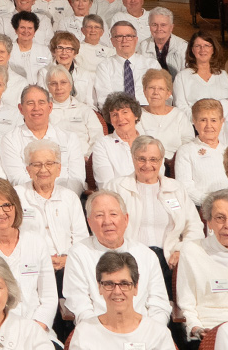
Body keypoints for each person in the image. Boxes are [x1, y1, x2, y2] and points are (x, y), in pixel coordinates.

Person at [63, 189, 173, 330]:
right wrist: (106, 333)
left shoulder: (146, 255)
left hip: (144, 334)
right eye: (99, 215)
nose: (107, 221)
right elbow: (80, 306)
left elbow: (159, 305)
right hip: (98, 333)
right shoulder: (78, 253)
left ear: (126, 219)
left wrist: (149, 332)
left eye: (113, 214)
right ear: (89, 222)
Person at [0, 178, 61, 330]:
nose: (0, 212)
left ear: (16, 207)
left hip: (34, 328)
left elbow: (49, 298)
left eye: (6, 205)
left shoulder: (37, 243)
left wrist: (35, 329)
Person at [106, 135, 201, 273]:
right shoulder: (116, 188)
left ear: (161, 161)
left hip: (168, 258)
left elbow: (194, 226)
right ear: (133, 159)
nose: (147, 165)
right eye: (141, 159)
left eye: (153, 159)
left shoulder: (176, 188)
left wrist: (182, 250)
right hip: (129, 258)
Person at [176, 190, 228, 340]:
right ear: (209, 222)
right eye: (220, 218)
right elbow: (186, 303)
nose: (227, 225)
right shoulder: (192, 251)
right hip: (207, 330)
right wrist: (196, 328)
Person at [0, 83, 88, 196]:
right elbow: (17, 178)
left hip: (67, 200)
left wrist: (63, 199)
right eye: (30, 103)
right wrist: (43, 197)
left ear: (50, 107)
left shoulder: (70, 138)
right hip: (28, 201)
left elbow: (77, 179)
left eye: (41, 103)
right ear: (21, 109)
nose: (36, 108)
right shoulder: (10, 140)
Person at [14, 140, 84, 271]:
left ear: (59, 169)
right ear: (28, 170)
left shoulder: (70, 198)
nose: (43, 169)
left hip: (67, 265)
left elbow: (81, 238)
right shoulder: (16, 196)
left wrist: (67, 260)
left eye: (49, 164)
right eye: (37, 165)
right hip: (29, 266)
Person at [85, 20, 158, 107]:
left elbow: (161, 95)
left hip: (148, 112)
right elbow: (104, 99)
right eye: (119, 36)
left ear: (136, 40)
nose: (124, 40)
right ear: (112, 41)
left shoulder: (152, 65)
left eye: (129, 36)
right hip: (119, 113)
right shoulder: (104, 66)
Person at [175, 99, 228, 205]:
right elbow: (185, 188)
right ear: (194, 121)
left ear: (222, 122)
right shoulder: (186, 151)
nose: (208, 125)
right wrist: (212, 203)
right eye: (203, 120)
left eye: (213, 120)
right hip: (203, 208)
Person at [91, 93, 148, 186]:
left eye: (125, 112)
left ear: (136, 115)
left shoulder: (150, 143)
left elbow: (157, 178)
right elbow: (106, 184)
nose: (120, 118)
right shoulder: (102, 145)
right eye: (114, 114)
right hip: (116, 198)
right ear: (110, 120)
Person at [135, 69, 194, 156]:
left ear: (168, 93)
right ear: (144, 92)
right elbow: (139, 145)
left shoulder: (179, 115)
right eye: (151, 88)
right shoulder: (137, 115)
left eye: (161, 89)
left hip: (177, 161)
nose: (155, 92)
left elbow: (189, 142)